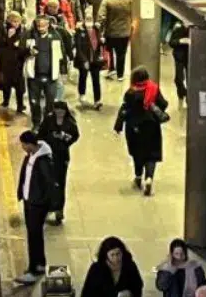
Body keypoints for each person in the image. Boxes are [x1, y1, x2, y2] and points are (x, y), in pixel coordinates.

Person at [113, 67, 168, 196]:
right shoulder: (154, 89)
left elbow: (125, 110)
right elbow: (164, 104)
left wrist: (118, 126)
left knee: (137, 154)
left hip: (134, 129)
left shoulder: (131, 93)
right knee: (151, 154)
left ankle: (138, 177)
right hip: (152, 126)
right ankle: (149, 178)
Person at [15, 130, 57, 284]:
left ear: (29, 144)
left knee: (34, 235)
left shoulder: (43, 161)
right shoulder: (31, 156)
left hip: (36, 204)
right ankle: (38, 265)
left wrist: (44, 202)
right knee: (34, 234)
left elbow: (49, 184)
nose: (22, 147)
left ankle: (34, 269)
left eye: (23, 144)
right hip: (29, 200)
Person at [37, 101, 80, 224]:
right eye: (57, 110)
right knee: (47, 182)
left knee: (60, 183)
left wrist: (66, 139)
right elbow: (41, 134)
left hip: (62, 157)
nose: (59, 113)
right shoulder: (48, 121)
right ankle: (47, 207)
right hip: (49, 155)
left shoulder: (70, 123)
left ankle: (59, 209)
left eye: (62, 110)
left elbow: (75, 136)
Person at [25, 15, 66, 127]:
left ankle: (49, 124)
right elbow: (20, 52)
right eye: (38, 25)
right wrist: (29, 52)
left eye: (43, 26)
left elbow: (62, 55)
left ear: (48, 25)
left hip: (50, 76)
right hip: (34, 77)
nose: (40, 28)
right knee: (34, 103)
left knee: (51, 103)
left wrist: (63, 72)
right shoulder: (30, 36)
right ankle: (36, 124)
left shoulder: (55, 36)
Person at [97, 0, 133, 79]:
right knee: (121, 54)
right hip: (125, 32)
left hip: (110, 32)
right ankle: (120, 75)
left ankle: (111, 69)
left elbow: (101, 16)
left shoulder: (107, 0)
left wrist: (99, 29)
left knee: (109, 51)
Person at [0, 11, 29, 113]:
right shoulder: (3, 30)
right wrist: (9, 38)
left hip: (18, 62)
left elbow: (25, 45)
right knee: (6, 83)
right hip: (6, 61)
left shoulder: (24, 31)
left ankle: (20, 105)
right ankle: (6, 101)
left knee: (19, 85)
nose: (15, 23)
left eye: (17, 21)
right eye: (13, 21)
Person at [74, 11, 104, 110]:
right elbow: (78, 48)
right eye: (87, 18)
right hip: (84, 60)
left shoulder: (96, 29)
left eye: (91, 18)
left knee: (96, 80)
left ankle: (97, 100)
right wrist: (84, 61)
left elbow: (98, 45)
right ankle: (82, 94)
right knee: (83, 77)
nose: (89, 20)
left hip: (95, 60)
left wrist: (102, 41)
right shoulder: (80, 30)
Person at [168, 20, 190, 103]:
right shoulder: (177, 28)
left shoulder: (194, 30)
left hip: (190, 57)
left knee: (190, 78)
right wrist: (180, 41)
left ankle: (189, 94)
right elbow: (171, 42)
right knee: (178, 78)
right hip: (179, 57)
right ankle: (181, 93)